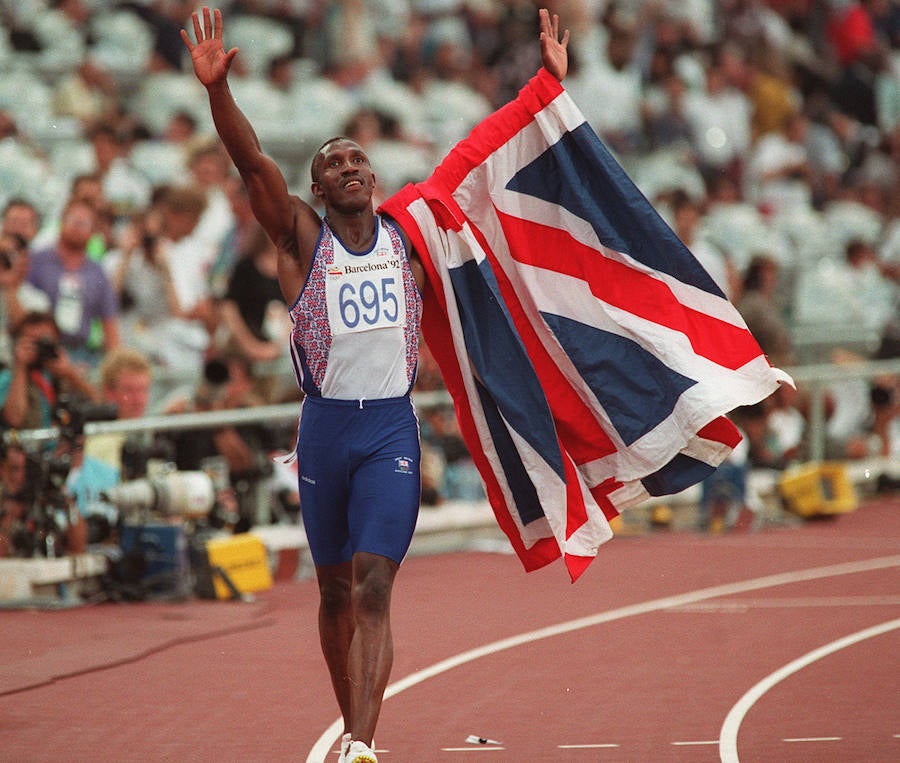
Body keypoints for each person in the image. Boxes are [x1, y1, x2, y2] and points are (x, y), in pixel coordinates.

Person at [182, 6, 569, 761]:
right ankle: (352, 717)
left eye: (359, 158)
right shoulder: (300, 237)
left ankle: (360, 743)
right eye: (334, 164)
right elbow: (252, 163)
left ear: (376, 177)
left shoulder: (409, 232)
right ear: (319, 191)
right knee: (331, 595)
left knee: (373, 587)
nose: (350, 167)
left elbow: (481, 157)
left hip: (390, 429)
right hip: (325, 431)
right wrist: (217, 97)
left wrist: (542, 90)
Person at [26, 198, 120, 369]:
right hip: (37, 350)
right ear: (61, 222)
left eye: (83, 223)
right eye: (73, 220)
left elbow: (109, 323)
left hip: (81, 355)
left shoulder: (97, 272)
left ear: (93, 231)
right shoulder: (36, 260)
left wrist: (115, 365)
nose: (77, 227)